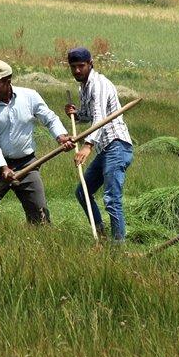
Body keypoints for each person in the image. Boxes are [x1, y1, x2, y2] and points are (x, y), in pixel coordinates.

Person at [0, 59, 74, 224]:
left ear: (7, 81)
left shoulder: (30, 97)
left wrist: (61, 137)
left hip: (27, 165)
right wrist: (3, 167)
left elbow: (50, 118)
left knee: (40, 218)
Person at [65, 47, 135, 243]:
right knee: (83, 192)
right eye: (73, 67)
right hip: (105, 148)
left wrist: (87, 146)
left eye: (81, 66)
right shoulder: (84, 87)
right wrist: (75, 114)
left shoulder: (99, 84)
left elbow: (100, 118)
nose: (77, 71)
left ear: (90, 64)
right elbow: (88, 115)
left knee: (112, 200)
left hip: (117, 145)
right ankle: (102, 237)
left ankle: (118, 247)